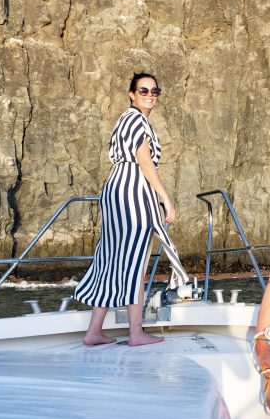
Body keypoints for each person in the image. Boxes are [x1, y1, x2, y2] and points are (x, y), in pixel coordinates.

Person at [74, 72, 190, 346]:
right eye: (143, 90)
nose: (150, 95)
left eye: (154, 91)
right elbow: (145, 162)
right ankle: (136, 333)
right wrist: (165, 198)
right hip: (133, 191)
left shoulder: (127, 119)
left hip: (118, 190)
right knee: (135, 264)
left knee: (114, 261)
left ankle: (94, 332)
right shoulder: (135, 119)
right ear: (132, 93)